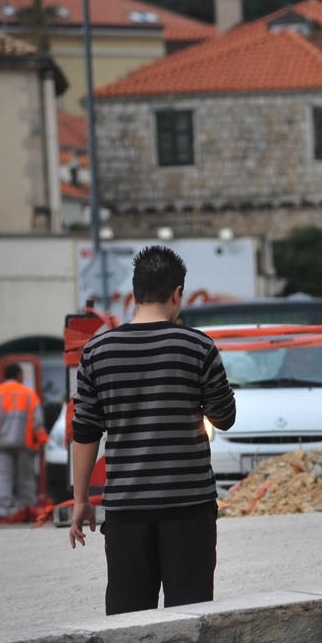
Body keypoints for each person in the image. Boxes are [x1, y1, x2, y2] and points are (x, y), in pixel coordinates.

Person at [68, 245, 237, 615]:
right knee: (191, 617)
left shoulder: (97, 351)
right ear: (178, 293)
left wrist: (81, 500)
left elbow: (85, 432)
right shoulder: (198, 347)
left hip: (127, 510)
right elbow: (225, 417)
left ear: (134, 293)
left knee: (128, 619)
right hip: (190, 508)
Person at [0, 362, 49, 518]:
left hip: (1, 443)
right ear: (19, 375)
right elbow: (37, 422)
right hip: (25, 443)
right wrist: (42, 441)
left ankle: (2, 510)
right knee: (26, 478)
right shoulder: (29, 394)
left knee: (4, 476)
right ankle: (27, 509)